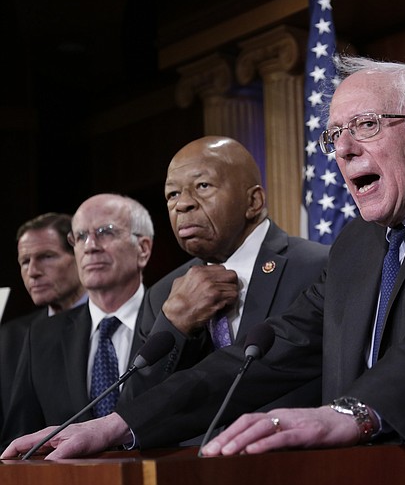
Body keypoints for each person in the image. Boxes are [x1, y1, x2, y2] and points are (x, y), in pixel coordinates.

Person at [3, 57, 405, 485]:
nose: (342, 149)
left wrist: (353, 411)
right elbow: (268, 350)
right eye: (333, 134)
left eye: (367, 126)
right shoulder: (358, 246)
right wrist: (121, 423)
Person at [121, 136, 329, 407]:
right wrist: (174, 325)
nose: (182, 204)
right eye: (172, 194)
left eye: (202, 186)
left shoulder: (317, 266)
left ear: (253, 201)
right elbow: (132, 408)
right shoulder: (162, 294)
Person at [0, 194, 154, 448]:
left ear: (143, 248)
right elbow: (20, 440)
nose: (90, 246)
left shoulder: (173, 318)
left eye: (106, 232)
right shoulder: (40, 336)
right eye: (81, 237)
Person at [1, 213, 87, 428]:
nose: (33, 272)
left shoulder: (110, 324)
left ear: (80, 255)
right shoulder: (8, 338)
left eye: (46, 257)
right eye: (24, 261)